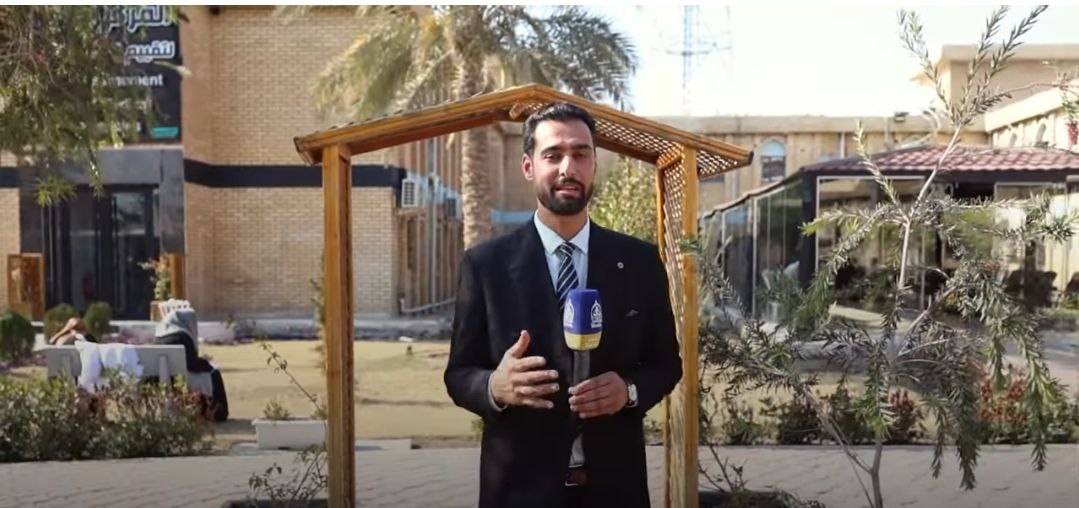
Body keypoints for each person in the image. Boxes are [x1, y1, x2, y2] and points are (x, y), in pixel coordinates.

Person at [444, 103, 682, 508]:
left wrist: (628, 391)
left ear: (594, 164)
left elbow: (666, 364)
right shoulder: (486, 265)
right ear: (528, 166)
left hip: (615, 490)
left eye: (580, 154)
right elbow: (459, 373)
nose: (568, 168)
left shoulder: (639, 262)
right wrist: (495, 387)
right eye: (553, 155)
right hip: (519, 491)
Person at [155, 308, 229, 422]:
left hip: (158, 378)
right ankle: (218, 412)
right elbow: (192, 365)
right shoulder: (182, 337)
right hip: (180, 378)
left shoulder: (159, 337)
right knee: (214, 373)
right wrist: (206, 363)